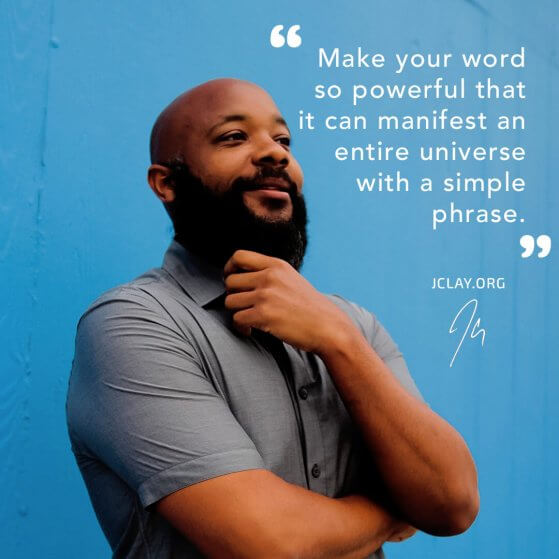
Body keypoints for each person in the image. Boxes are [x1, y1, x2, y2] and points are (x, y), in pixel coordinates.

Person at [66, 78, 479, 559]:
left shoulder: (351, 326)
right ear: (167, 183)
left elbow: (454, 503)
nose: (275, 154)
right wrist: (395, 512)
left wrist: (338, 342)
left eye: (283, 140)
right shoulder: (135, 323)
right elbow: (268, 543)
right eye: (233, 138)